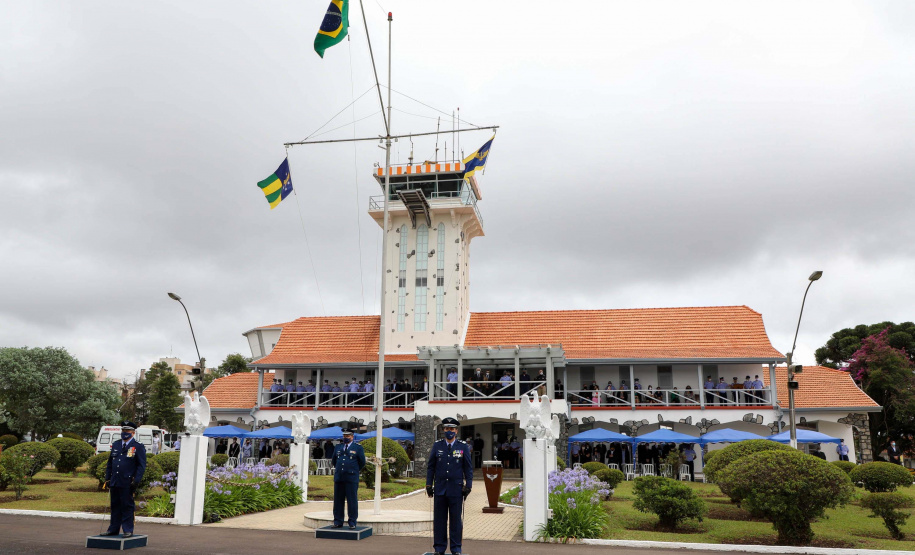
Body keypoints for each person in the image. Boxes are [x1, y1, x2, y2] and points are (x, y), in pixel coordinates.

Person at [426, 417, 473, 555]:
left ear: (456, 431)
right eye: (447, 429)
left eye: (452, 429)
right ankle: (439, 548)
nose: (449, 431)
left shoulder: (463, 446)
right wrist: (429, 484)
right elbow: (431, 467)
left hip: (456, 490)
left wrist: (468, 486)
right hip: (440, 489)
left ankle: (456, 549)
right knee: (439, 521)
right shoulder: (437, 445)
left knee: (456, 522)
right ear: (443, 430)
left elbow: (468, 468)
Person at [100, 421, 147, 538]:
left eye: (127, 431)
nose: (124, 433)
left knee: (127, 506)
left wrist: (136, 480)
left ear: (133, 433)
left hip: (127, 481)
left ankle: (128, 529)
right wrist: (107, 478)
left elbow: (141, 465)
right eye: (123, 431)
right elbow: (110, 462)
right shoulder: (116, 444)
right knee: (115, 505)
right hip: (115, 480)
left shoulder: (138, 446)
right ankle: (113, 529)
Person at [331, 427, 366, 529]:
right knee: (338, 501)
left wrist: (353, 470)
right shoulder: (338, 447)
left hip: (351, 478)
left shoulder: (358, 448)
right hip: (339, 477)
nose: (346, 438)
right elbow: (334, 461)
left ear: (352, 437)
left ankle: (352, 521)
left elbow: (362, 462)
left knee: (352, 501)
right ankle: (338, 521)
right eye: (344, 436)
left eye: (348, 436)